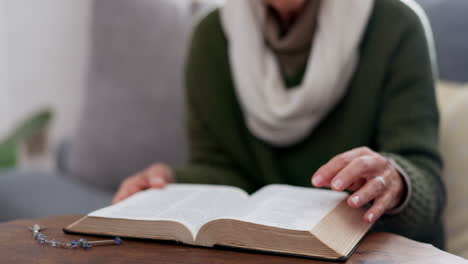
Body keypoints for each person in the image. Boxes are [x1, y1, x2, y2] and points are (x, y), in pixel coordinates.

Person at [113, 0, 446, 248]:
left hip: (372, 250)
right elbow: (223, 170)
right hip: (261, 251)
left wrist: (395, 180)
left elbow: (427, 180)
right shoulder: (212, 37)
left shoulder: (397, 24)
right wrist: (171, 181)